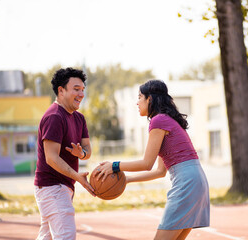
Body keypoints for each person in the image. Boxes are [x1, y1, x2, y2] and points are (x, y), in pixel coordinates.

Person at [96, 79, 210, 240]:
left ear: (149, 99)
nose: (137, 103)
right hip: (197, 182)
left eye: (139, 97)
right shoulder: (167, 120)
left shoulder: (159, 120)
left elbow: (146, 164)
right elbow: (159, 171)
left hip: (187, 183)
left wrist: (115, 166)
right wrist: (126, 180)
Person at [34, 67, 95, 240]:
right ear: (61, 90)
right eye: (76, 89)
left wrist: (81, 154)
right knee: (66, 236)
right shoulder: (54, 117)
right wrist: (78, 177)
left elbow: (88, 150)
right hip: (52, 187)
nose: (81, 94)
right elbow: (51, 158)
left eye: (83, 89)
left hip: (62, 187)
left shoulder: (79, 118)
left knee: (47, 237)